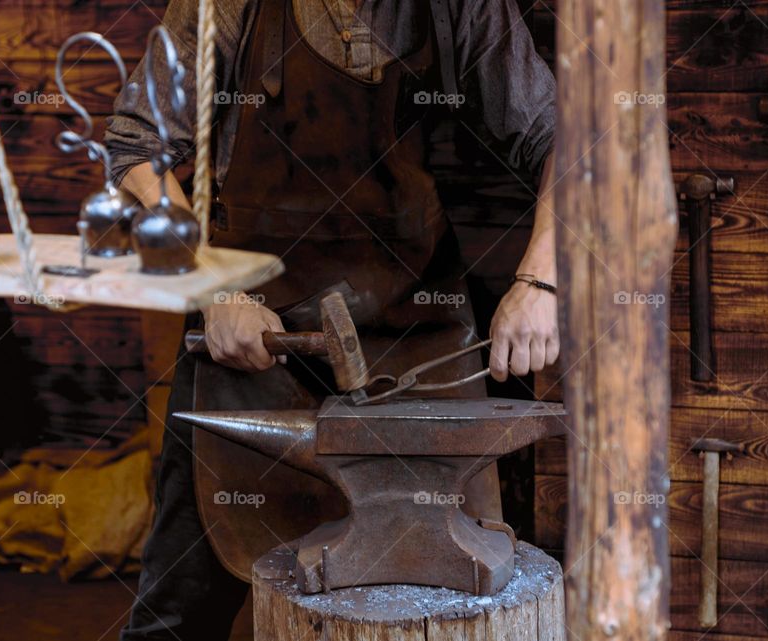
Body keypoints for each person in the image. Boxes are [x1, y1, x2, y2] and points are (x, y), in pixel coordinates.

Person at [105, 0, 557, 638]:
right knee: (177, 615)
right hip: (257, 342)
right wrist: (215, 289)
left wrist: (542, 280)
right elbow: (136, 150)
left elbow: (567, 136)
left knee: (459, 608)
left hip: (417, 342)